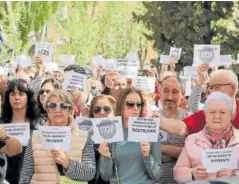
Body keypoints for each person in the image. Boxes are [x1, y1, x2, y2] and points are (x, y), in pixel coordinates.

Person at [20, 90, 96, 183]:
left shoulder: (84, 137)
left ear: (70, 110)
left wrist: (67, 163)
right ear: (47, 110)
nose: (57, 110)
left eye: (63, 106)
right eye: (52, 105)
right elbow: (26, 175)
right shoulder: (35, 137)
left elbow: (90, 173)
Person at [99, 87, 162, 184]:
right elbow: (105, 176)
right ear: (121, 106)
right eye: (130, 104)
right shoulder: (111, 130)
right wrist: (106, 157)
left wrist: (147, 156)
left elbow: (157, 175)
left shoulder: (150, 130)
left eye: (139, 104)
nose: (136, 108)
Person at [174, 92, 239, 183]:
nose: (217, 116)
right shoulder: (192, 140)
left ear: (230, 115)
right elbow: (177, 172)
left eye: (222, 112)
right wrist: (192, 173)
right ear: (205, 115)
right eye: (212, 112)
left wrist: (234, 174)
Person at [160, 69, 239, 136]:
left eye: (217, 87)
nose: (211, 91)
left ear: (233, 88)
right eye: (210, 87)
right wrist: (156, 121)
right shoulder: (205, 114)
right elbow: (182, 127)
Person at [1, 79, 39, 184]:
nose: (16, 98)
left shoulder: (37, 127)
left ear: (29, 97)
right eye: (12, 94)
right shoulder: (1, 125)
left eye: (21, 94)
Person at [157, 75, 191, 184]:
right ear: (159, 91)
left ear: (183, 92)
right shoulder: (149, 119)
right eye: (166, 91)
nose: (170, 97)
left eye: (175, 91)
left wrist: (161, 148)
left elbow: (192, 153)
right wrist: (177, 152)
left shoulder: (191, 119)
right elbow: (144, 152)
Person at [88, 95, 116, 184]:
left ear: (114, 112)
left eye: (107, 109)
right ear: (92, 113)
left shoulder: (122, 137)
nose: (102, 112)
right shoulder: (85, 135)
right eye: (97, 110)